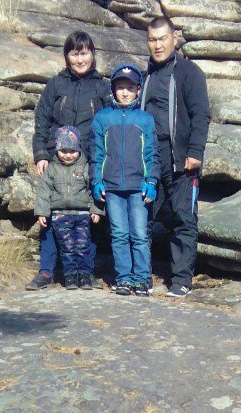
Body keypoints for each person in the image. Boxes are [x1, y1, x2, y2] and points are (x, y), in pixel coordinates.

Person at [26, 30, 111, 291]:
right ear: (67, 56)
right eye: (74, 54)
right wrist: (41, 154)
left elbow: (111, 125)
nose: (80, 59)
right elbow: (42, 121)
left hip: (90, 162)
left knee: (89, 217)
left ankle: (86, 272)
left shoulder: (102, 87)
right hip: (57, 160)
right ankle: (46, 271)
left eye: (84, 53)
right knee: (51, 214)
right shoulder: (56, 85)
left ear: (93, 54)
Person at [140, 17, 210, 298]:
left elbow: (201, 114)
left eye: (162, 39)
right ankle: (141, 276)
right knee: (144, 218)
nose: (157, 45)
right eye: (152, 40)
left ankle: (181, 279)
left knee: (183, 219)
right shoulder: (145, 75)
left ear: (174, 39)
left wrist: (195, 151)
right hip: (150, 161)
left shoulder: (189, 73)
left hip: (181, 161)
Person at [89, 64, 159, 297]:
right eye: (120, 87)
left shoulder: (145, 120)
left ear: (138, 90)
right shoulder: (102, 118)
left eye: (130, 88)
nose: (125, 92)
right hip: (112, 189)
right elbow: (96, 152)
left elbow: (152, 154)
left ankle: (142, 278)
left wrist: (152, 181)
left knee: (139, 234)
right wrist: (96, 181)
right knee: (119, 234)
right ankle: (124, 278)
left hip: (138, 188)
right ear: (113, 89)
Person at [34, 126, 101, 290]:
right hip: (60, 215)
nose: (68, 155)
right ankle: (70, 276)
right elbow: (44, 192)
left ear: (79, 149)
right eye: (63, 151)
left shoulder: (86, 167)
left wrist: (96, 210)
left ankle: (85, 275)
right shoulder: (52, 168)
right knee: (68, 247)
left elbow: (93, 190)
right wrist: (42, 212)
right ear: (57, 149)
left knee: (83, 246)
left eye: (72, 151)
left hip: (82, 215)